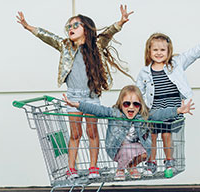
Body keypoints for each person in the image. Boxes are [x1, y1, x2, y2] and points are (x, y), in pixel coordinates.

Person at [16, 5, 134, 180]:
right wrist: (29, 27)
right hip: (72, 96)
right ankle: (71, 168)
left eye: (75, 25)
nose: (70, 29)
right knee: (75, 133)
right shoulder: (65, 46)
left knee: (92, 132)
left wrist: (120, 22)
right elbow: (48, 37)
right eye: (69, 26)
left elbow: (109, 33)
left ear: (86, 28)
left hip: (91, 96)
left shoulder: (96, 45)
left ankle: (93, 166)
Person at [62, 85, 195, 181]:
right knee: (127, 149)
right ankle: (120, 169)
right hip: (117, 147)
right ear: (121, 104)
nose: (131, 107)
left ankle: (130, 166)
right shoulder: (114, 113)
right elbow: (96, 109)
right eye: (127, 104)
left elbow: (160, 114)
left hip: (134, 147)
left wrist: (178, 110)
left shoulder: (144, 115)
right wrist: (77, 105)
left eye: (135, 104)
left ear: (140, 106)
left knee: (145, 153)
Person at [136, 29, 200, 176]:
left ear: (169, 51)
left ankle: (169, 161)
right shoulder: (144, 72)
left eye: (162, 50)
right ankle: (151, 162)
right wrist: (140, 107)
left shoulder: (175, 64)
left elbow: (191, 54)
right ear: (149, 51)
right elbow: (139, 91)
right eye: (155, 49)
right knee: (152, 136)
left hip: (172, 108)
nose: (159, 53)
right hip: (154, 110)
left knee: (167, 135)